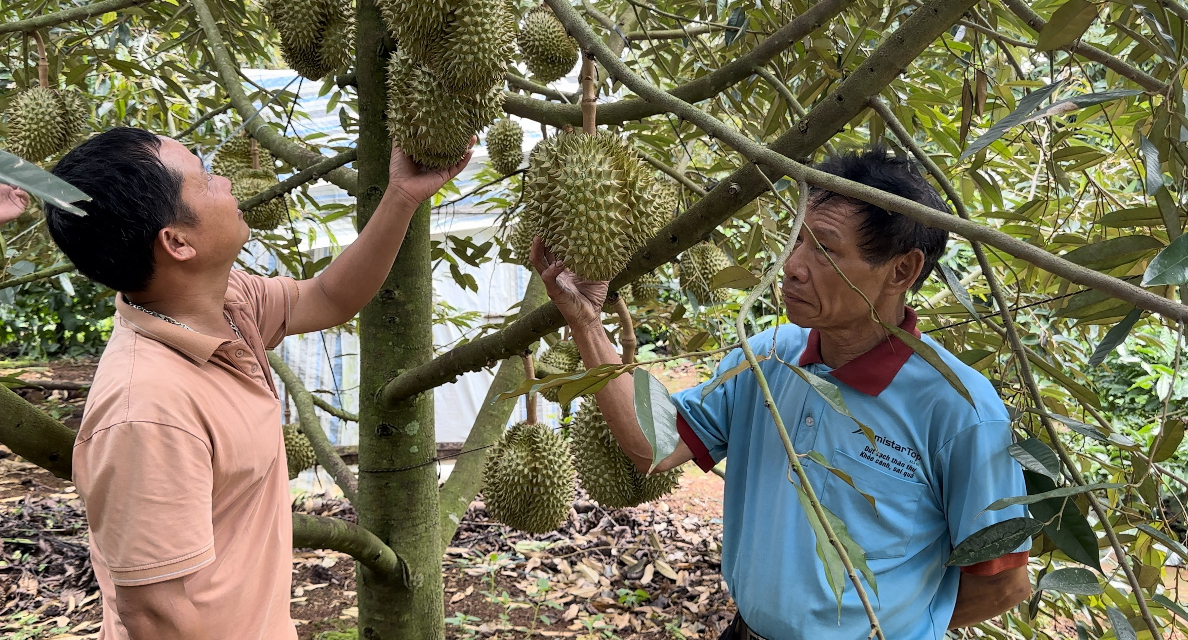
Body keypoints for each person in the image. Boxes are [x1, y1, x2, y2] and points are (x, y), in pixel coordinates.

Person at [530, 149, 1032, 640]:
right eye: (797, 240)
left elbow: (1002, 586)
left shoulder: (961, 410)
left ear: (900, 271)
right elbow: (655, 447)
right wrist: (585, 320)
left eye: (825, 249)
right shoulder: (766, 357)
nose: (792, 266)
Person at [45, 127, 470, 640]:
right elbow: (154, 616)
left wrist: (401, 196)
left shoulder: (224, 304)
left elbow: (329, 297)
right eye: (203, 180)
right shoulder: (148, 411)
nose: (224, 181)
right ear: (177, 242)